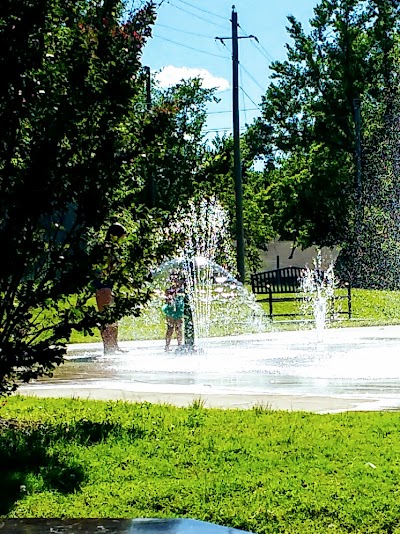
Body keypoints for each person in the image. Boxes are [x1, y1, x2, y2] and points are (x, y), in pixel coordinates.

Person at [94, 222, 127, 355]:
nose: (122, 241)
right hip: (104, 287)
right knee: (108, 318)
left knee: (112, 318)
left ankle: (113, 345)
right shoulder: (107, 250)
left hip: (107, 286)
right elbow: (105, 269)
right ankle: (109, 347)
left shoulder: (109, 249)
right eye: (121, 237)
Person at [162, 276, 185, 352]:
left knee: (178, 328)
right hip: (171, 310)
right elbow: (167, 298)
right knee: (170, 328)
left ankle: (179, 345)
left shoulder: (182, 290)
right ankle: (167, 346)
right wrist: (169, 297)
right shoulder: (170, 290)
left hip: (178, 309)